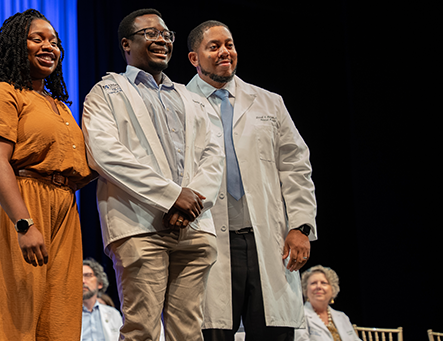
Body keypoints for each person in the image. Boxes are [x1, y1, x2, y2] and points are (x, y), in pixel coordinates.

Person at [82, 8, 224, 341]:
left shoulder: (191, 98)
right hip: (138, 225)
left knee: (188, 332)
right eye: (150, 33)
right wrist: (173, 197)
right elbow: (105, 155)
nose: (161, 39)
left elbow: (213, 156)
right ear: (126, 44)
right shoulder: (105, 92)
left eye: (166, 34)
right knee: (141, 329)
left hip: (194, 226)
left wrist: (192, 204)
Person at [185, 20, 317, 341]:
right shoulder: (178, 103)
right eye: (213, 46)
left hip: (267, 242)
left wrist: (300, 227)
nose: (224, 52)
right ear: (194, 58)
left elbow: (296, 167)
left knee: (274, 332)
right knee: (210, 331)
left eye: (228, 44)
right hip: (207, 241)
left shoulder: (269, 102)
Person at [0, 8, 94, 341]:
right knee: (14, 315)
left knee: (60, 315)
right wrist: (24, 223)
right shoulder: (1, 94)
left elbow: (78, 166)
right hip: (20, 205)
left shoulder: (58, 105)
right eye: (37, 39)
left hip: (64, 209)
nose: (49, 46)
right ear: (15, 45)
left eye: (54, 41)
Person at [295, 266, 361, 341]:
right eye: (313, 283)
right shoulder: (299, 316)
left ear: (332, 289)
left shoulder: (342, 317)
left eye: (324, 283)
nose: (318, 287)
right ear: (305, 290)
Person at [81, 258, 123, 341]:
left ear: (100, 283)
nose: (82, 281)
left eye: (87, 275)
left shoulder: (114, 314)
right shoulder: (67, 314)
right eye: (79, 276)